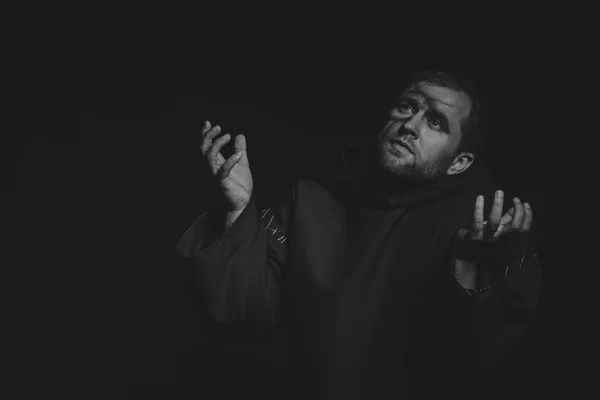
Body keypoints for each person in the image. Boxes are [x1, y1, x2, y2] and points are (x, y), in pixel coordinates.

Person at [176, 70, 541, 399]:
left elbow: (484, 366)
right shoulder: (311, 197)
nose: (409, 125)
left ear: (459, 162)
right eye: (406, 107)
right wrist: (239, 209)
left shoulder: (485, 227)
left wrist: (473, 271)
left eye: (435, 122)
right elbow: (246, 310)